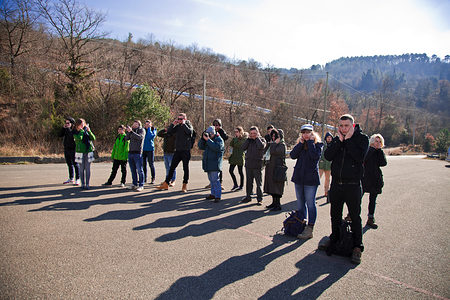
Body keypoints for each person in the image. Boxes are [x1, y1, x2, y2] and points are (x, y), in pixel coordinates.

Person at [324, 114, 369, 264]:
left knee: (355, 217)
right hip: (337, 184)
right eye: (341, 126)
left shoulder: (362, 139)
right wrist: (339, 141)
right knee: (335, 215)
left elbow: (359, 157)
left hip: (353, 185)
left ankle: (357, 247)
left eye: (346, 126)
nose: (343, 129)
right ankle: (335, 239)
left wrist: (348, 140)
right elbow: (328, 156)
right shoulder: (337, 139)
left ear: (353, 126)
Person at [290, 124, 323, 238]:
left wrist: (310, 143)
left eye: (308, 132)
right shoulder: (301, 144)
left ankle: (310, 228)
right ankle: (301, 224)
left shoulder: (318, 145)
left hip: (311, 179)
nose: (305, 134)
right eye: (303, 132)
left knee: (310, 203)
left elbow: (315, 157)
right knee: (300, 203)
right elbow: (293, 155)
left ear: (312, 133)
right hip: (299, 178)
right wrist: (301, 143)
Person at [157, 113, 194, 193]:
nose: (180, 120)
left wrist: (184, 124)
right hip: (177, 150)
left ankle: (184, 185)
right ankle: (166, 183)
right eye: (179, 119)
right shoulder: (178, 126)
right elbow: (169, 132)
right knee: (172, 167)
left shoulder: (188, 124)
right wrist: (172, 124)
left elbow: (189, 133)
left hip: (185, 151)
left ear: (185, 119)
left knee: (185, 168)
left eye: (181, 119)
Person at [362, 134, 387, 229]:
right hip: (365, 177)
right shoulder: (368, 150)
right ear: (372, 141)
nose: (378, 143)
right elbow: (364, 159)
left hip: (375, 178)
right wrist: (372, 149)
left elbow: (383, 163)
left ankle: (370, 218)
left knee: (373, 200)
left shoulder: (380, 152)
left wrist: (379, 151)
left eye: (380, 142)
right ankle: (351, 215)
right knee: (357, 197)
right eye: (376, 141)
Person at [198, 126, 225, 202]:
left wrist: (208, 140)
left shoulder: (219, 139)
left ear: (213, 133)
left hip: (215, 163)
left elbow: (216, 148)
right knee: (211, 180)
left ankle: (218, 196)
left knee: (215, 180)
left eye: (210, 134)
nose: (209, 135)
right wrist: (203, 139)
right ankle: (213, 194)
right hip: (208, 163)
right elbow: (200, 146)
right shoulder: (208, 140)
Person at [241, 126, 267, 205]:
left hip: (257, 164)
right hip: (249, 164)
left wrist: (257, 138)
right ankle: (248, 196)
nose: (253, 135)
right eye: (251, 133)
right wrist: (248, 139)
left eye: (254, 133)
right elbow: (243, 148)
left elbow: (261, 146)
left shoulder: (262, 140)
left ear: (258, 133)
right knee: (249, 182)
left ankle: (260, 198)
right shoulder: (249, 140)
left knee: (258, 183)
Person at [263, 128, 287, 211]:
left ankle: (278, 204)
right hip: (271, 168)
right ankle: (274, 202)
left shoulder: (282, 145)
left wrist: (273, 144)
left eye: (275, 136)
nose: (273, 138)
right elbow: (265, 151)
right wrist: (269, 143)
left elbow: (274, 152)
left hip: (278, 169)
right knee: (272, 186)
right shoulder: (273, 143)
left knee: (277, 187)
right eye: (272, 136)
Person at [73, 118, 96, 189]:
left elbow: (93, 138)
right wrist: (82, 131)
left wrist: (89, 131)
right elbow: (79, 138)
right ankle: (82, 184)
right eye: (81, 124)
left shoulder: (86, 130)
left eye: (83, 124)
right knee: (81, 168)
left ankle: (87, 184)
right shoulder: (76, 132)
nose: (82, 126)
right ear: (77, 125)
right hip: (80, 152)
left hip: (88, 151)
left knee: (88, 168)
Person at [125, 120, 146, 191]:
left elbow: (140, 137)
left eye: (136, 124)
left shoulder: (141, 130)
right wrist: (128, 131)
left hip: (138, 153)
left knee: (140, 170)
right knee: (132, 169)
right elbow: (126, 138)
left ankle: (141, 185)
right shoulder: (132, 131)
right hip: (131, 152)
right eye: (133, 124)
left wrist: (131, 132)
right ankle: (134, 184)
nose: (134, 125)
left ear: (139, 124)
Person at [59, 117, 80, 185]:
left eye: (68, 123)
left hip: (73, 149)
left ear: (72, 123)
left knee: (75, 164)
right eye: (66, 123)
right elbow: (60, 135)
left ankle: (78, 178)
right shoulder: (66, 129)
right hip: (66, 148)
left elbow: (71, 136)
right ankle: (71, 178)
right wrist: (63, 128)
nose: (66, 124)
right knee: (69, 164)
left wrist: (67, 129)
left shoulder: (74, 130)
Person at [228, 126, 247, 191]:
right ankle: (235, 184)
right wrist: (230, 153)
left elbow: (240, 145)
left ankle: (241, 186)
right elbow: (231, 145)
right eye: (235, 132)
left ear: (240, 132)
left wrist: (237, 139)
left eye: (237, 132)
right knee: (230, 171)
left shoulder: (244, 139)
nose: (236, 133)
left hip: (240, 156)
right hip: (234, 156)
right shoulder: (234, 139)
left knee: (240, 172)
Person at [319, 132, 333, 201]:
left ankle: (326, 192)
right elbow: (320, 153)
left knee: (327, 179)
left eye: (330, 137)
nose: (329, 139)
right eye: (328, 137)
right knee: (318, 178)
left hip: (329, 165)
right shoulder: (323, 145)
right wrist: (320, 160)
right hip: (321, 165)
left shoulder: (333, 145)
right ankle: (313, 191)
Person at [143, 120, 157, 184]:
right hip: (143, 149)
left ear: (151, 125)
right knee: (143, 165)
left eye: (148, 124)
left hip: (150, 149)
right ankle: (144, 178)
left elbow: (150, 137)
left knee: (151, 164)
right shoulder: (142, 130)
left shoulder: (153, 129)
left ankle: (153, 178)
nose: (147, 125)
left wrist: (149, 129)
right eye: (146, 124)